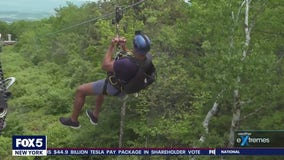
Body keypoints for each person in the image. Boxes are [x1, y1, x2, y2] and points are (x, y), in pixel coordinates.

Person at [59, 31, 155, 129]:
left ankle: (73, 121)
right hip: (125, 86)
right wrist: (123, 47)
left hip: (114, 87)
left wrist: (111, 46)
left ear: (135, 47)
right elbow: (133, 57)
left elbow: (105, 65)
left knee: (80, 90)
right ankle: (95, 115)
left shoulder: (126, 64)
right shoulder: (146, 58)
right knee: (101, 90)